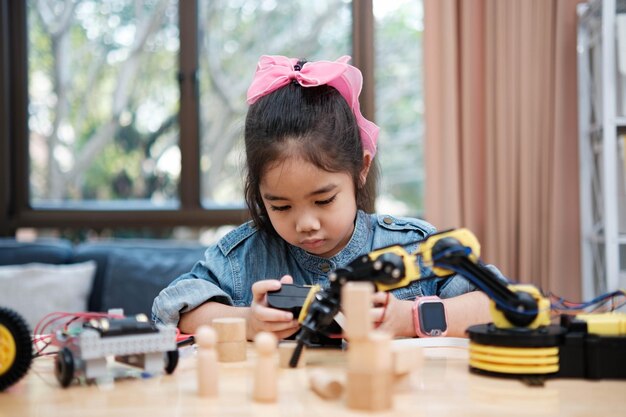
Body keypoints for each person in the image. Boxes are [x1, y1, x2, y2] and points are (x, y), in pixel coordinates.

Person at [152, 55, 491, 340]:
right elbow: (175, 309)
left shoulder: (412, 247)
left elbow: (495, 304)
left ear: (361, 168)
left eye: (324, 200)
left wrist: (408, 319)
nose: (306, 224)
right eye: (280, 206)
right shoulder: (244, 256)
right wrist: (249, 323)